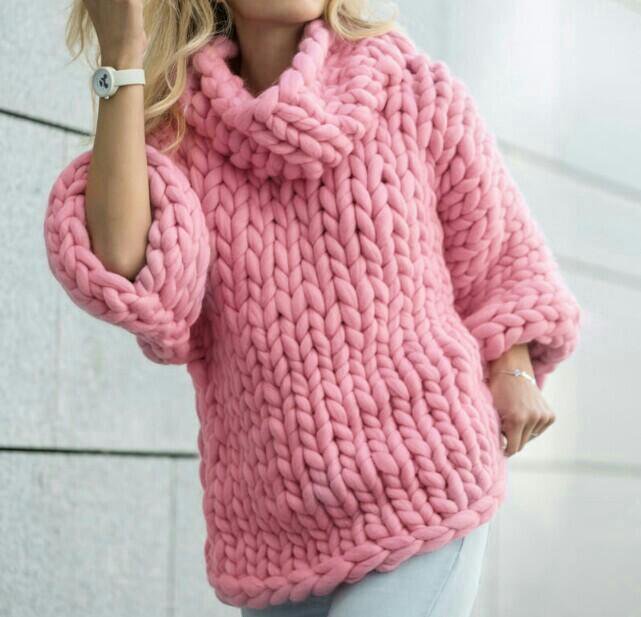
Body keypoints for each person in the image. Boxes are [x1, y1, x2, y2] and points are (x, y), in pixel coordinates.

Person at [43, 1, 583, 615]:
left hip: (425, 483)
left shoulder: (411, 91)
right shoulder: (179, 134)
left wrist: (513, 370)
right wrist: (122, 57)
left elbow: (499, 259)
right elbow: (128, 268)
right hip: (275, 522)